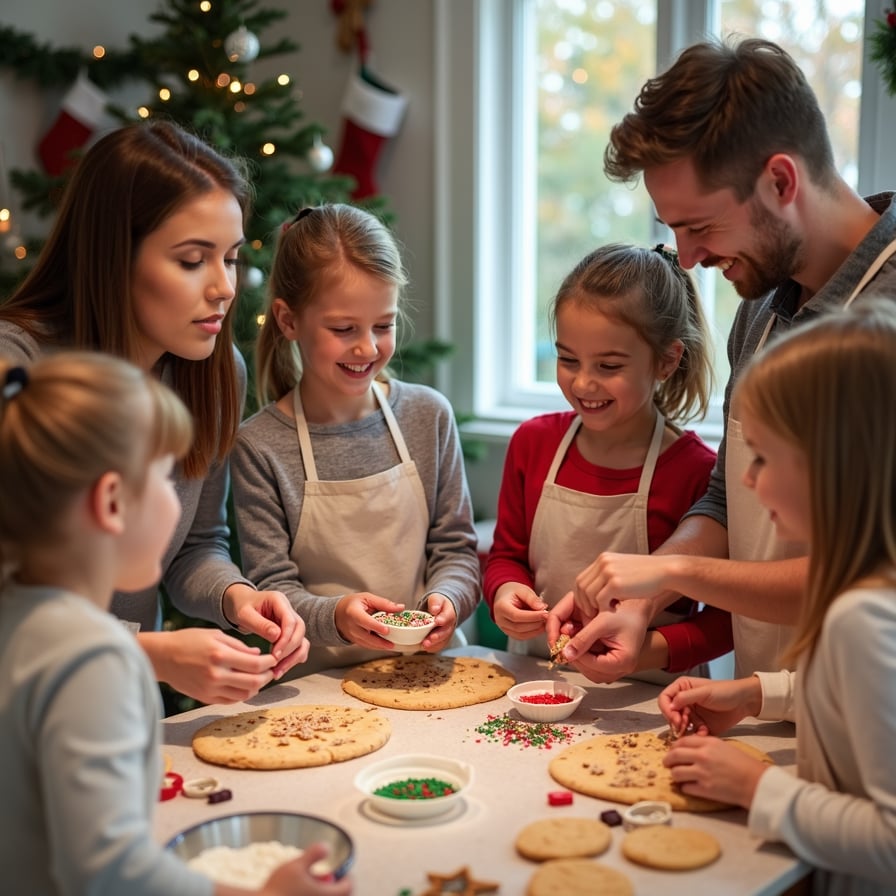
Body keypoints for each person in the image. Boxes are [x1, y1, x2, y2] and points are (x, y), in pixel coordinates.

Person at [550, 36, 896, 682]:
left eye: (700, 227)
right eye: (672, 228)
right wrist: (642, 601)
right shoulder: (761, 307)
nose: (684, 259)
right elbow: (726, 501)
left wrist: (673, 569)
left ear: (781, 180)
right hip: (771, 706)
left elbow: (876, 572)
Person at [0, 352, 351, 896]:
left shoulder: (20, 617)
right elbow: (110, 873)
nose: (180, 496)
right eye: (167, 477)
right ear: (112, 502)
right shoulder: (96, 659)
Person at [0, 120, 310, 704]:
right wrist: (153, 653)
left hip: (117, 704)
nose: (224, 287)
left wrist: (236, 597)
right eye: (193, 260)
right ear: (113, 256)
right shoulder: (18, 368)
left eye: (232, 258)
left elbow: (194, 544)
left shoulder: (216, 371)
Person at [658, 300, 896, 894]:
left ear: (833, 466)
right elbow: (866, 706)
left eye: (762, 456)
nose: (744, 477)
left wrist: (755, 787)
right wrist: (759, 693)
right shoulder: (866, 584)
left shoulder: (863, 616)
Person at [230, 204, 481, 675]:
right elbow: (272, 588)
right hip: (318, 685)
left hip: (434, 671)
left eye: (383, 326)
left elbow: (456, 550)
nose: (368, 348)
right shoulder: (261, 446)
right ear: (287, 320)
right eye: (344, 330)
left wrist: (446, 598)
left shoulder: (427, 417)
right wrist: (337, 618)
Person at [485, 242, 725, 675]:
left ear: (667, 360)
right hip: (537, 681)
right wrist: (505, 591)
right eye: (567, 359)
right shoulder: (533, 442)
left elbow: (724, 622)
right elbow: (506, 554)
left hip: (649, 696)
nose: (583, 382)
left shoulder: (697, 472)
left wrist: (650, 650)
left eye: (609, 366)